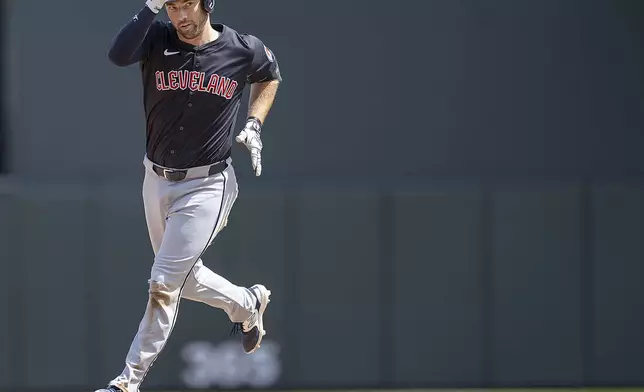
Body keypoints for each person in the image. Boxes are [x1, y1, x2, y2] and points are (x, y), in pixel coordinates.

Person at [95, 0, 282, 390]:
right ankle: (246, 304)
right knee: (185, 278)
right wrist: (150, 7)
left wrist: (254, 123)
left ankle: (126, 383)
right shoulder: (157, 36)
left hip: (208, 184)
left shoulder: (239, 48)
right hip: (157, 178)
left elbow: (269, 74)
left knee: (164, 282)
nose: (179, 15)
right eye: (172, 6)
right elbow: (117, 55)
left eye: (187, 5)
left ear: (208, 4)